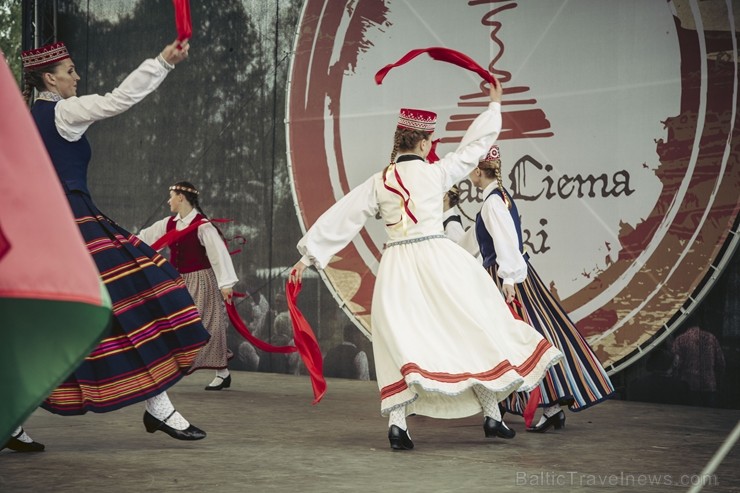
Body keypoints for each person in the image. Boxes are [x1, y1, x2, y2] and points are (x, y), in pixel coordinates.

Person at [290, 79, 563, 450]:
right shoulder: (437, 173)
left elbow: (345, 216)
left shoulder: (380, 181)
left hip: (399, 267)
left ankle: (403, 424)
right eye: (429, 143)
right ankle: (491, 415)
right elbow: (475, 149)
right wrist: (494, 107)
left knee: (402, 343)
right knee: (469, 329)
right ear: (423, 143)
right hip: (439, 261)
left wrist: (309, 255)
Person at [14, 39, 209, 447]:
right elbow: (118, 99)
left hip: (42, 227)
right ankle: (160, 410)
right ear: (50, 78)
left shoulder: (23, 121)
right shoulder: (62, 112)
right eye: (70, 71)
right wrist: (162, 63)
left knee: (48, 323)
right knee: (129, 300)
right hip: (72, 224)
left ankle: (12, 423)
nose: (77, 76)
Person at [468, 144, 615, 432]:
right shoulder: (500, 198)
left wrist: (508, 281)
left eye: (469, 171)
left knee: (523, 338)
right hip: (510, 275)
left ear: (477, 171)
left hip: (507, 278)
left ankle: (532, 405)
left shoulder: (493, 203)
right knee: (535, 334)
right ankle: (540, 406)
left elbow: (506, 244)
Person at [138, 181, 239, 391]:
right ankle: (168, 368)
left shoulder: (202, 226)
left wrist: (226, 283)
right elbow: (144, 238)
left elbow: (218, 255)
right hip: (177, 280)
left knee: (207, 324)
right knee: (172, 321)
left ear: (181, 197)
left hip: (201, 281)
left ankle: (222, 372)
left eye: (171, 196)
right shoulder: (168, 223)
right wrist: (121, 242)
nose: (169, 201)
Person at [672, 323, 725, 407]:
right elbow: (721, 363)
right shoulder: (712, 338)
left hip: (688, 386)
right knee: (710, 416)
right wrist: (717, 380)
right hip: (709, 385)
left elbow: (676, 364)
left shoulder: (680, 339)